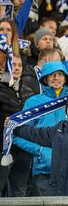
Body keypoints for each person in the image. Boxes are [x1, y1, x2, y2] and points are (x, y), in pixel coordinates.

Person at [13, 61, 68, 196]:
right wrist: (39, 151)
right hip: (43, 169)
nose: (56, 78)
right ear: (45, 78)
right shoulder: (33, 102)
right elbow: (17, 135)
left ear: (65, 78)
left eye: (60, 74)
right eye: (52, 75)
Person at [0, 55, 31, 196]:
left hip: (24, 148)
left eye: (19, 65)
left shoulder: (30, 88)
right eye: (13, 65)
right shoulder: (2, 88)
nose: (17, 68)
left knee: (20, 190)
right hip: (4, 148)